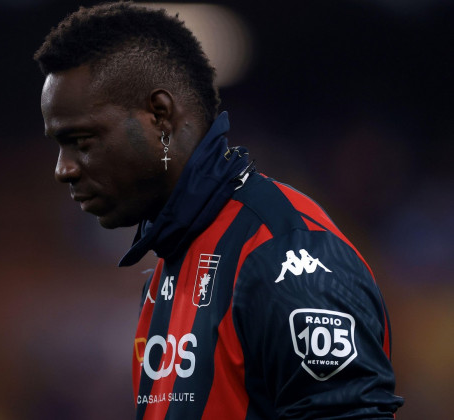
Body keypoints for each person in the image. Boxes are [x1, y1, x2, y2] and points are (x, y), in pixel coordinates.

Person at [35, 2, 404, 419]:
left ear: (160, 117)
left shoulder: (285, 255)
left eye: (82, 140)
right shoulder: (167, 268)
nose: (63, 169)